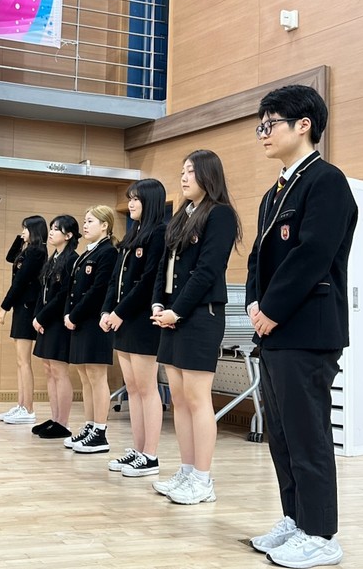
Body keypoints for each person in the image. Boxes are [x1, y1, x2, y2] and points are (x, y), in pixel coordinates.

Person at [245, 85, 357, 568]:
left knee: (308, 434)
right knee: (283, 434)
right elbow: (258, 258)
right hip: (273, 329)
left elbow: (313, 254)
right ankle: (295, 518)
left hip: (307, 328)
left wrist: (271, 309)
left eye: (270, 124)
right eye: (261, 126)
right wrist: (254, 304)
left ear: (303, 124)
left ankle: (321, 534)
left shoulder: (327, 181)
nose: (263, 133)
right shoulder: (275, 192)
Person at [150, 149, 241, 505]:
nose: (184, 177)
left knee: (198, 398)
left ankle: (203, 479)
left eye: (191, 171)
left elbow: (206, 271)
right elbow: (163, 266)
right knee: (179, 399)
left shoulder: (220, 214)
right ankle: (187, 471)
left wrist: (178, 312)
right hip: (172, 314)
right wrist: (159, 304)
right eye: (182, 171)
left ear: (208, 175)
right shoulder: (181, 216)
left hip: (201, 315)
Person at [100, 179, 167, 477]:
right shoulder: (131, 235)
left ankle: (150, 454)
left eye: (136, 199)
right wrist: (107, 310)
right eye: (130, 198)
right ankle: (138, 450)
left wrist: (120, 312)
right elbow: (115, 279)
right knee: (133, 389)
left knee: (146, 388)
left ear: (150, 201)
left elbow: (149, 280)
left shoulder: (159, 233)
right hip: (122, 320)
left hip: (141, 321)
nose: (131, 203)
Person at [63, 205, 118, 454]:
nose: (85, 226)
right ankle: (89, 425)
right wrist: (68, 314)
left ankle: (100, 431)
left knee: (97, 377)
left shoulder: (108, 252)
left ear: (105, 225)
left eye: (90, 221)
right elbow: (72, 288)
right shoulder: (86, 253)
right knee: (85, 377)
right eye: (84, 221)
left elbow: (98, 290)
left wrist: (74, 314)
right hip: (79, 321)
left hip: (95, 322)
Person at [31, 215, 80, 439]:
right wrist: (38, 317)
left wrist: (42, 317)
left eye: (56, 229)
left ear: (68, 235)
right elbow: (42, 292)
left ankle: (63, 422)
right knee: (48, 369)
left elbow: (63, 296)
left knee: (60, 371)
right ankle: (54, 418)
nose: (51, 232)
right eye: (51, 228)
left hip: (58, 322)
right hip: (46, 321)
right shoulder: (53, 258)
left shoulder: (71, 260)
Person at [0, 216, 49, 424]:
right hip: (21, 308)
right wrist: (21, 238)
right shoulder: (28, 250)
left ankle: (28, 409)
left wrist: (4, 307)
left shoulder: (37, 252)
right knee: (20, 361)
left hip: (28, 308)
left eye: (26, 229)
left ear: (35, 231)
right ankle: (21, 405)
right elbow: (10, 257)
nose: (23, 231)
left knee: (24, 361)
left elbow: (19, 281)